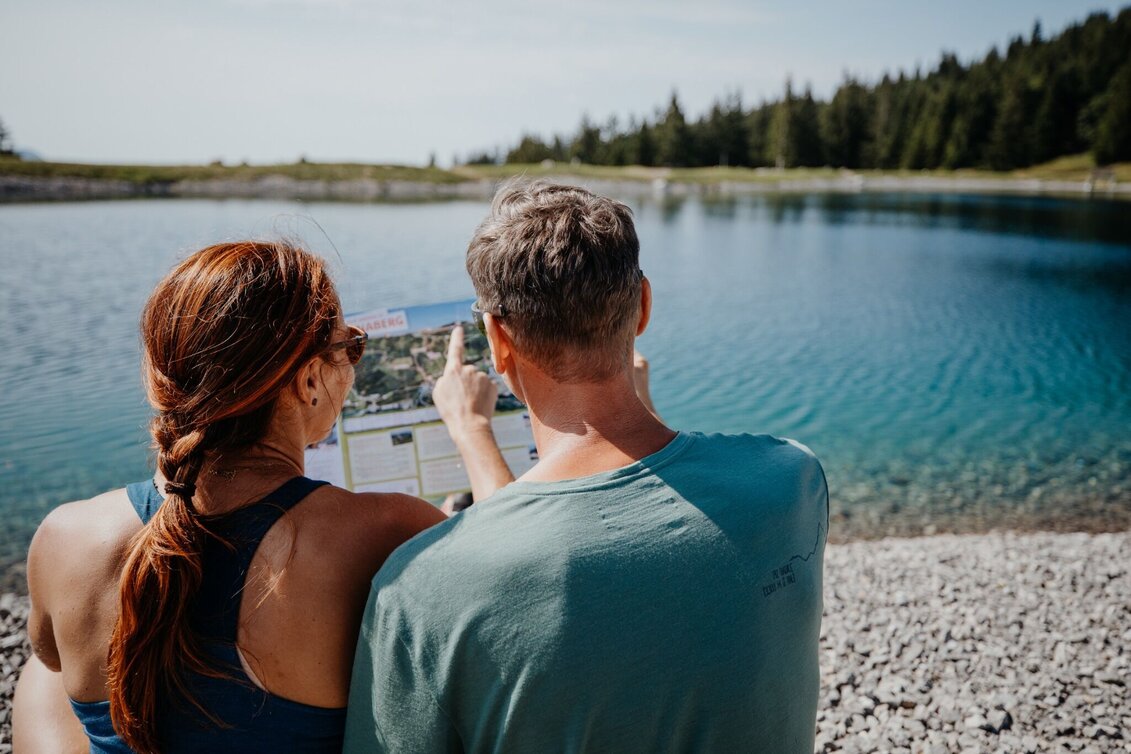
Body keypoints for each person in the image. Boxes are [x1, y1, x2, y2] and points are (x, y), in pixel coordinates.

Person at [344, 181, 830, 753]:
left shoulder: (420, 586)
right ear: (643, 305)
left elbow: (534, 562)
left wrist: (471, 429)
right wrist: (645, 413)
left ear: (498, 341)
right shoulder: (793, 480)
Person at [18, 241, 488, 752]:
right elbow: (520, 593)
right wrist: (471, 429)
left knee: (38, 676)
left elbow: (50, 654)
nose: (353, 364)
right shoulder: (389, 533)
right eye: (351, 346)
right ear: (310, 380)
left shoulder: (64, 535)